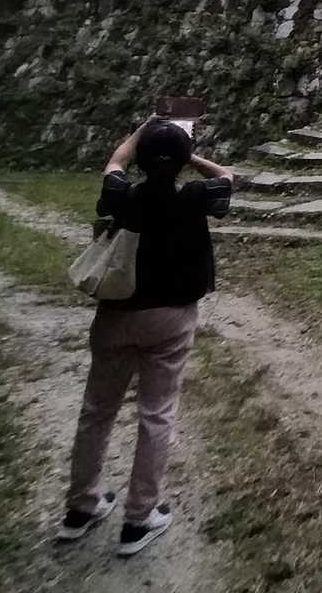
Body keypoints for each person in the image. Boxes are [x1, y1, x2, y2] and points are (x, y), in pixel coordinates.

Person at [55, 115, 233, 556]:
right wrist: (188, 156)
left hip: (116, 316)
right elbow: (228, 175)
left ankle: (81, 508)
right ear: (179, 162)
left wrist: (140, 135)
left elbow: (115, 162)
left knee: (96, 411)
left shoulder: (123, 196)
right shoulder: (194, 197)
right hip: (171, 319)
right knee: (157, 415)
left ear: (143, 159)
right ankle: (139, 518)